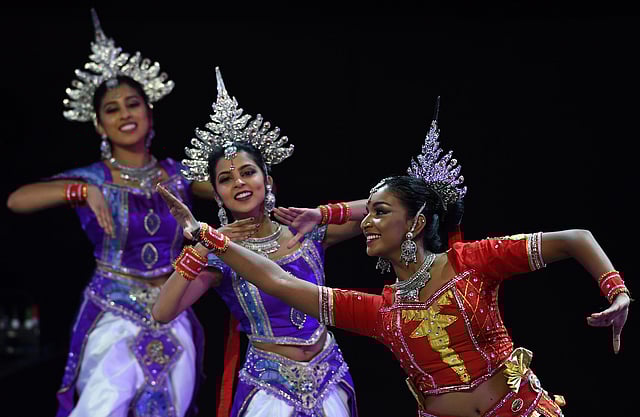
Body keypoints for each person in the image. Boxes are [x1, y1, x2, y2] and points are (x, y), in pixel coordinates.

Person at [153, 104, 630, 417]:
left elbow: (575, 237)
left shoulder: (473, 262)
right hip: (269, 376)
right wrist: (207, 241)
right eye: (225, 177)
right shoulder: (383, 312)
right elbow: (276, 282)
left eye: (379, 213)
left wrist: (616, 289)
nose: (366, 222)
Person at [6, 10, 214, 417]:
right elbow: (18, 200)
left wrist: (253, 179)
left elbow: (228, 187)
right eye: (112, 110)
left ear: (150, 113)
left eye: (133, 104)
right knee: (103, 405)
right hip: (114, 308)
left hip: (173, 308)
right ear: (100, 126)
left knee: (173, 406)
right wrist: (80, 190)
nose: (125, 115)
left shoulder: (177, 174)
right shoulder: (95, 178)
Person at [152, 67, 367, 417]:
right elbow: (162, 313)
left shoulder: (304, 232)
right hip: (270, 390)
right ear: (218, 194)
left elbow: (387, 211)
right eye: (225, 178)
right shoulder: (221, 259)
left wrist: (323, 213)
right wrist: (203, 244)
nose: (239, 182)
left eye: (248, 172)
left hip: (330, 377)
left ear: (267, 180)